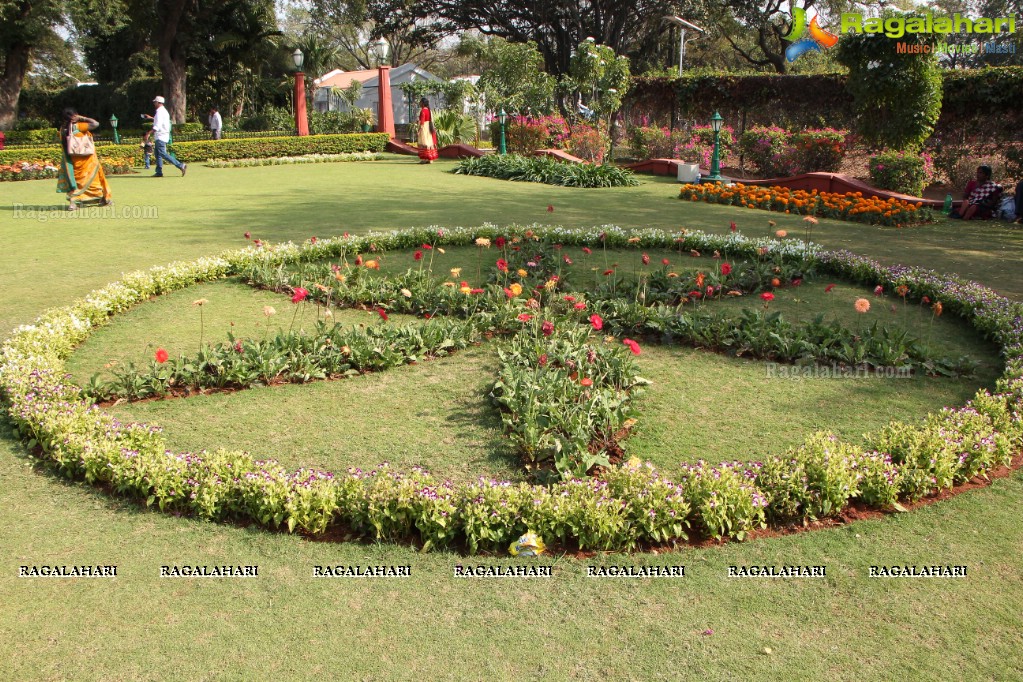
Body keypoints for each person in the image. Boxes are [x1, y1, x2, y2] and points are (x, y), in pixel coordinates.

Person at [56, 108, 112, 211]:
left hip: (73, 162)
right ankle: (103, 198)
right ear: (74, 116)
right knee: (95, 181)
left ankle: (73, 203)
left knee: (76, 184)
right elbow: (96, 124)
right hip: (88, 161)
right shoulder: (79, 126)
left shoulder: (62, 130)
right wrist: (82, 118)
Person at [148, 96, 187, 177]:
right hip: (163, 135)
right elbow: (160, 121)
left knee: (162, 154)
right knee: (158, 154)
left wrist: (148, 133)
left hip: (160, 136)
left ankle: (180, 165)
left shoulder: (159, 112)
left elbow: (157, 126)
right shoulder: (163, 111)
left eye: (155, 102)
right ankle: (159, 172)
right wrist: (151, 118)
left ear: (158, 103)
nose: (154, 103)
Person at [417, 97, 438, 163]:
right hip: (429, 127)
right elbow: (431, 120)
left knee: (424, 142)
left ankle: (425, 158)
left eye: (420, 102)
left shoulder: (423, 110)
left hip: (424, 128)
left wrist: (419, 130)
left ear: (422, 103)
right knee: (429, 142)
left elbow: (422, 121)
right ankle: (430, 159)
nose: (419, 103)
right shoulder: (429, 111)